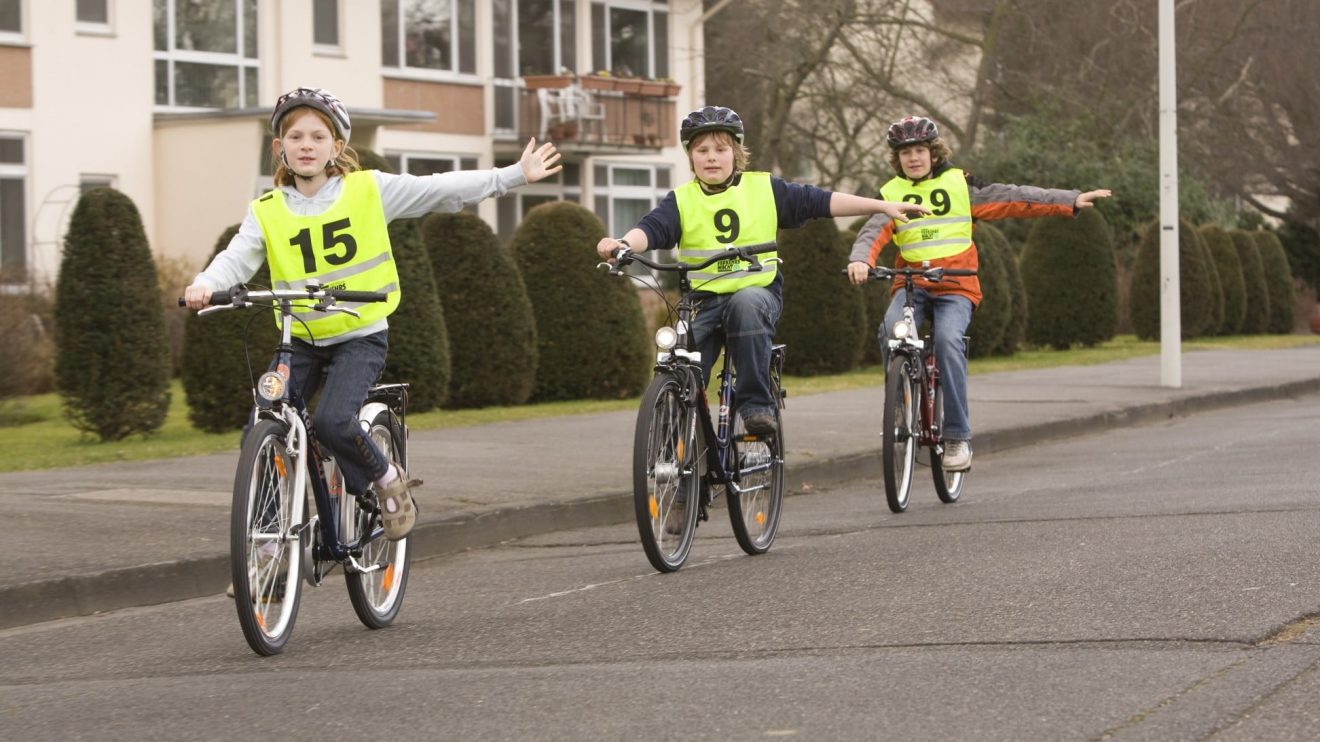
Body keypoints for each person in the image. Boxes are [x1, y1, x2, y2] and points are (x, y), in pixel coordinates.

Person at [184, 87, 562, 541]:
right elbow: (237, 257)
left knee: (332, 421)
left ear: (337, 148)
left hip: (360, 335)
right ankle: (265, 544)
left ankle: (386, 480)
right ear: (279, 148)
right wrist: (206, 283)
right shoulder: (265, 211)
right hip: (300, 337)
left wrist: (513, 175)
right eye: (296, 136)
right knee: (263, 422)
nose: (307, 145)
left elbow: (438, 188)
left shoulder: (368, 190)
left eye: (318, 137)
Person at [597, 105, 929, 439]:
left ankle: (756, 406)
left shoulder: (764, 190)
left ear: (736, 153)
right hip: (704, 301)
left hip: (758, 295)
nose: (712, 157)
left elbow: (822, 201)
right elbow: (652, 229)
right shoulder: (682, 200)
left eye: (721, 149)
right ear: (690, 156)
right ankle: (673, 446)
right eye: (702, 150)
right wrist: (623, 244)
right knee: (678, 359)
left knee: (746, 303)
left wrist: (882, 206)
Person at [848, 115, 1111, 472]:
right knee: (890, 329)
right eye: (906, 152)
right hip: (913, 286)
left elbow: (1016, 198)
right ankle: (900, 404)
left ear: (933, 153)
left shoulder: (962, 185)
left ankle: (957, 436)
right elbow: (872, 231)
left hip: (957, 286)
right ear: (898, 158)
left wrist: (1070, 201)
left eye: (920, 150)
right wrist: (861, 259)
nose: (914, 158)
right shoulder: (890, 193)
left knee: (947, 340)